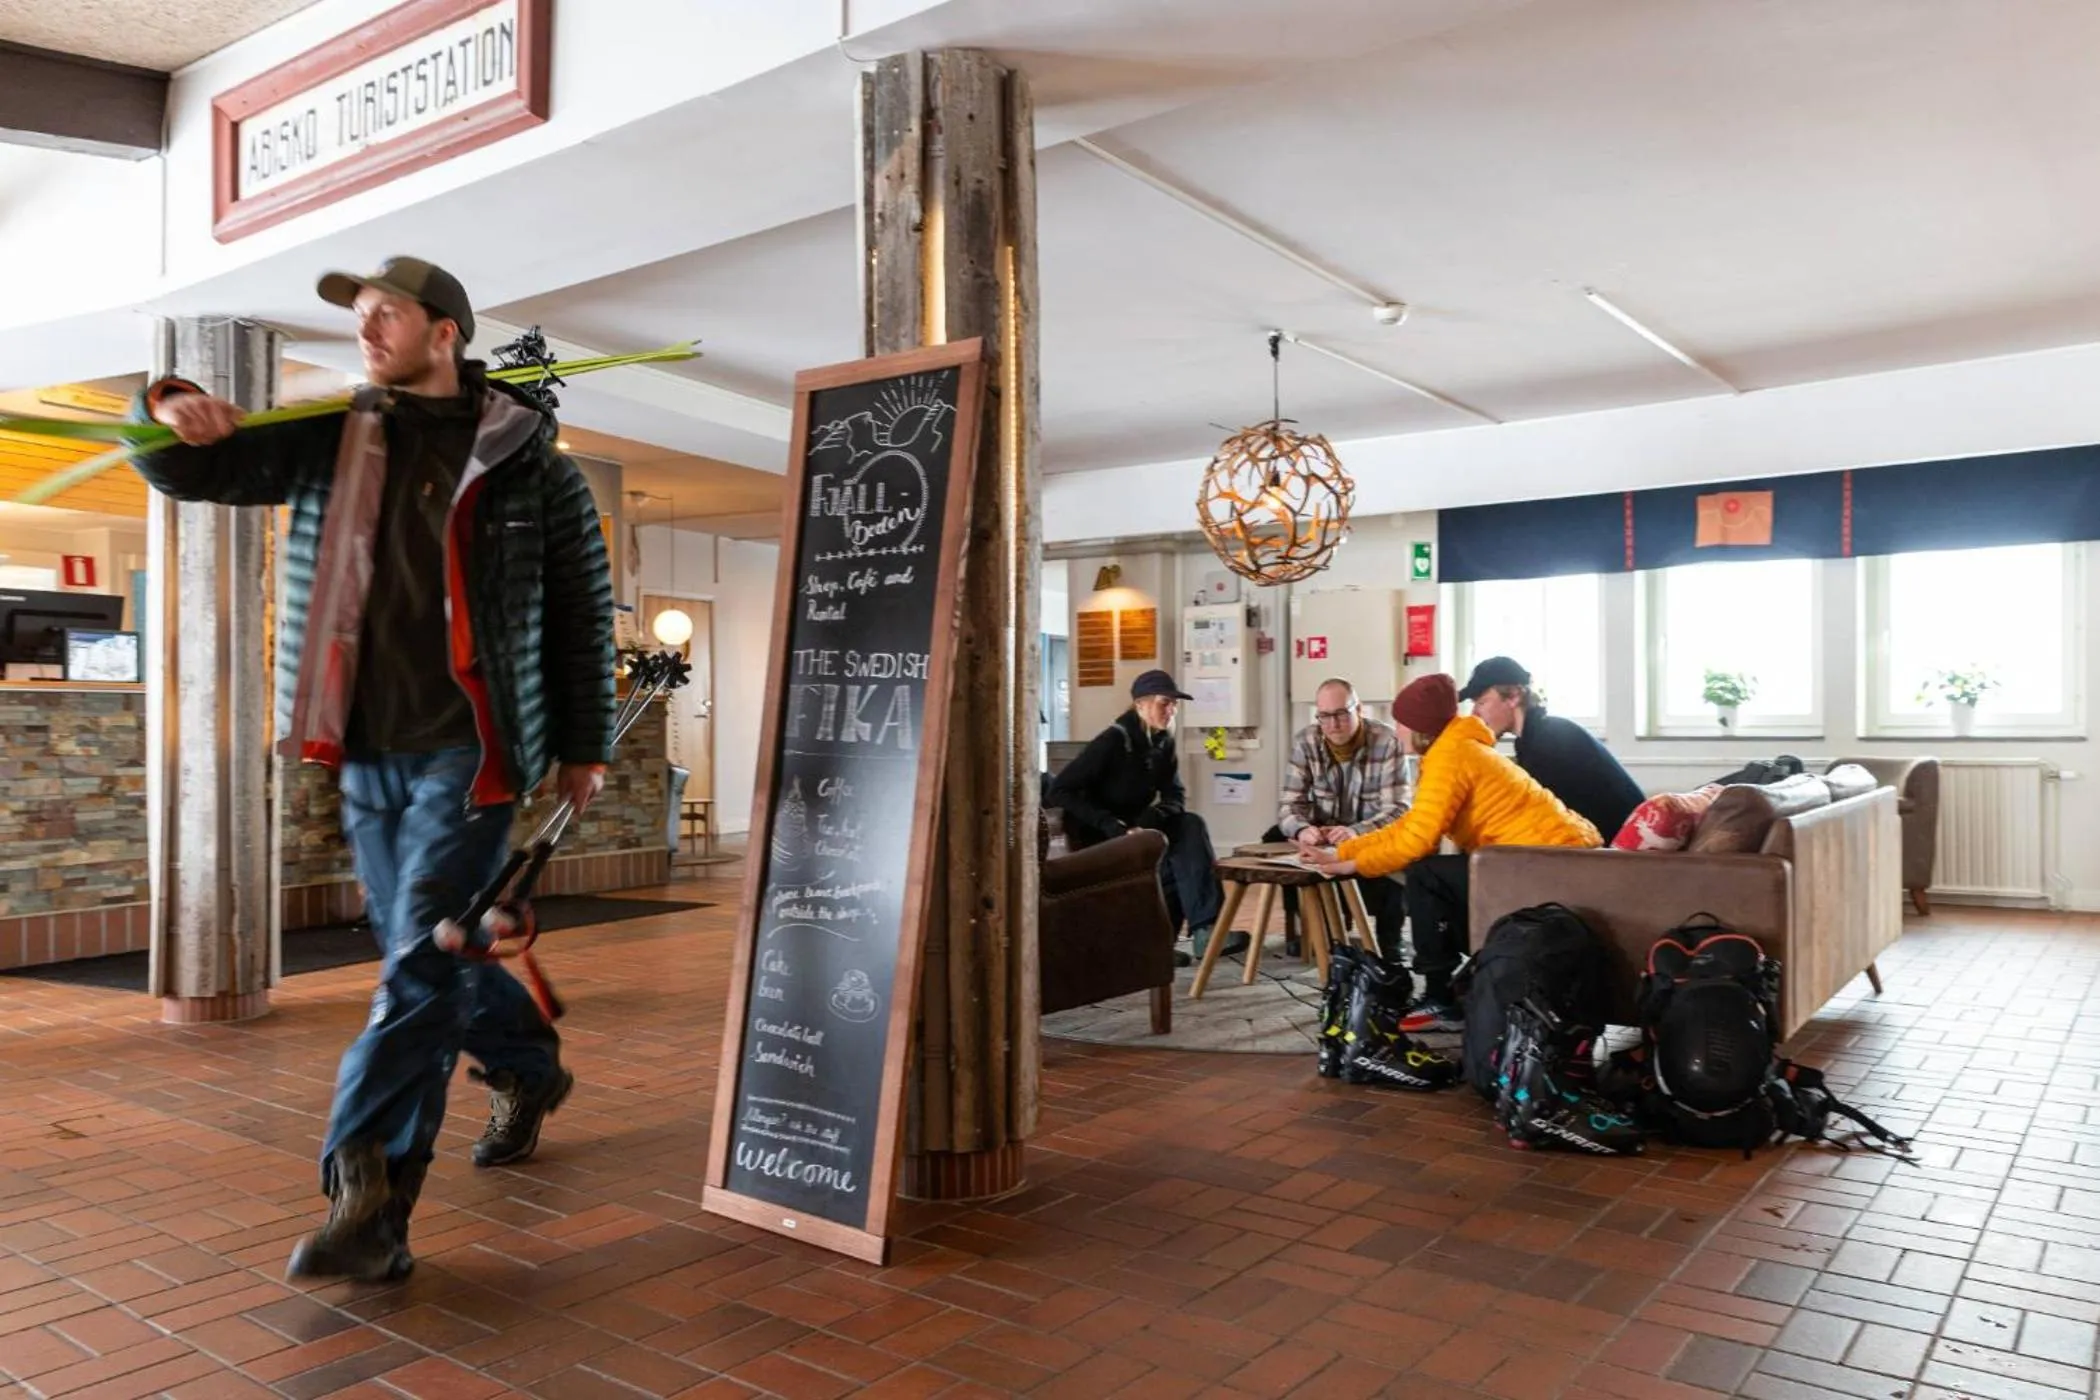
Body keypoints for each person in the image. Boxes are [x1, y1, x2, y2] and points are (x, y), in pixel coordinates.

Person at [130, 256, 614, 1282]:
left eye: (386, 312)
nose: (366, 328)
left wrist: (586, 747)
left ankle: (371, 1197)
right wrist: (170, 405)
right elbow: (185, 471)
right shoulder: (333, 438)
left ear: (444, 332)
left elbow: (580, 616)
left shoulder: (532, 463)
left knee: (420, 962)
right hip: (363, 749)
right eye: (359, 315)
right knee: (424, 949)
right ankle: (527, 1063)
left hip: (471, 753)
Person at [1308, 673, 1599, 1030]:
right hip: (1546, 858)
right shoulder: (1454, 748)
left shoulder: (1450, 756)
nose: (1396, 731)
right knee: (1437, 876)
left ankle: (1440, 999)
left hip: (1547, 864)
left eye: (1401, 722)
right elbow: (1412, 825)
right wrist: (1344, 852)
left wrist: (1352, 865)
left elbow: (1416, 842)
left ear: (1420, 727)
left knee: (1426, 876)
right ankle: (1461, 980)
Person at [1047, 670, 1236, 961]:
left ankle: (1206, 930)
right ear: (1140, 705)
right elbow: (1059, 791)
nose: (1171, 710)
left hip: (1138, 831)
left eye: (1174, 704)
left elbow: (1175, 796)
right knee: (1172, 855)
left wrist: (1155, 815)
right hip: (1103, 835)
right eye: (1164, 703)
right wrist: (1111, 825)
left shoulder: (1163, 743)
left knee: (1189, 826)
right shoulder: (1111, 741)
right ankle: (1157, 944)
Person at [1266, 678, 1408, 959]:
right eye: (1325, 716)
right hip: (1322, 833)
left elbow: (1398, 809)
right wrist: (1303, 829)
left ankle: (1389, 940)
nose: (1333, 724)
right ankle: (1305, 929)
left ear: (1359, 710)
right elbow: (1290, 804)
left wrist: (1356, 832)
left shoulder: (1387, 741)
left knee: (1397, 847)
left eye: (1342, 714)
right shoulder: (1305, 741)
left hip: (1369, 833)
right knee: (1275, 835)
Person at [1459, 656, 1646, 842]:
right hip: (1599, 847)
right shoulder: (1537, 736)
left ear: (1514, 696)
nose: (1475, 713)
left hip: (1614, 852)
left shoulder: (1549, 740)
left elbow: (1538, 819)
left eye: (1481, 702)